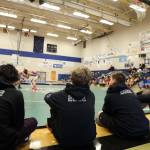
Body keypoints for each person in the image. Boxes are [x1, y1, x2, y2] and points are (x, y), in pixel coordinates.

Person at [45, 67, 96, 147]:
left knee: (54, 108)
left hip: (65, 140)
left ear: (71, 79)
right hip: (89, 138)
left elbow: (47, 97)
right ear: (88, 81)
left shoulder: (59, 96)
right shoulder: (91, 95)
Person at [97, 72, 149, 139]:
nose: (109, 81)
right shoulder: (131, 92)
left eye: (110, 79)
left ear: (114, 81)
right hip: (144, 129)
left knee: (99, 115)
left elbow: (106, 112)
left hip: (128, 132)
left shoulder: (111, 95)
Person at [0, 64, 37, 150]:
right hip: (5, 141)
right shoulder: (15, 94)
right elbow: (19, 124)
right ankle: (23, 139)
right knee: (33, 121)